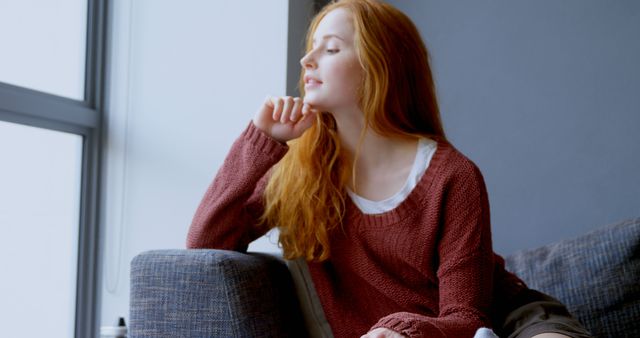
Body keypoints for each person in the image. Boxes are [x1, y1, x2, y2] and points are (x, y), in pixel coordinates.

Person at [186, 0, 592, 337]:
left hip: (503, 321)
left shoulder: (452, 175)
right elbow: (205, 243)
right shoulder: (300, 173)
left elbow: (469, 317)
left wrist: (403, 329)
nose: (306, 59)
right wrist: (262, 141)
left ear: (380, 65)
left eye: (330, 49)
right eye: (313, 48)